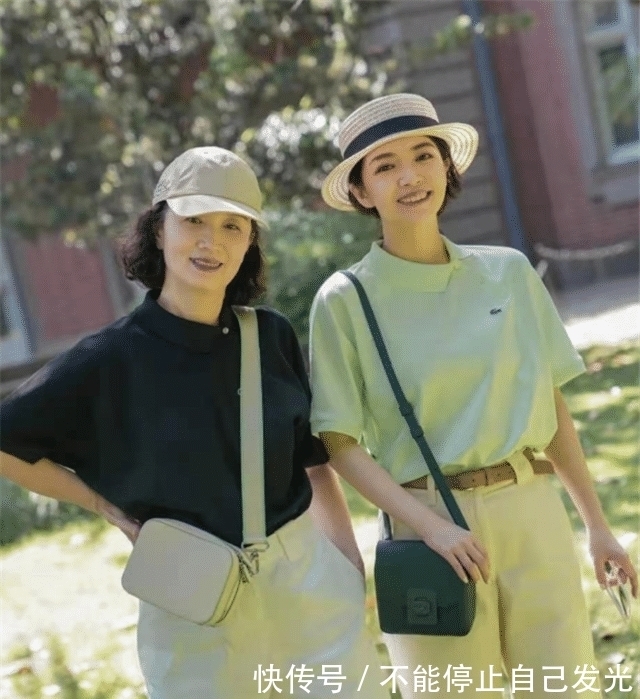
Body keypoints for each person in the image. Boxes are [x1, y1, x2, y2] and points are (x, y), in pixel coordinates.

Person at [0, 146, 390, 699]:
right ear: (159, 230)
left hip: (306, 580)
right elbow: (7, 442)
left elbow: (312, 460)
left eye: (233, 226)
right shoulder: (110, 359)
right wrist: (104, 506)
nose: (212, 242)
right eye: (195, 221)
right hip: (190, 598)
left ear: (249, 242)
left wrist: (345, 563)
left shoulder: (270, 336)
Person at [308, 93, 638, 698]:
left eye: (423, 155)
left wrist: (596, 525)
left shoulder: (506, 272)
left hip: (531, 509)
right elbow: (340, 444)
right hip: (426, 530)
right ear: (360, 192)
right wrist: (430, 529)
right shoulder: (345, 299)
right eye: (384, 166)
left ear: (446, 167)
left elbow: (551, 412)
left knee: (565, 688)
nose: (410, 176)